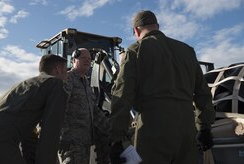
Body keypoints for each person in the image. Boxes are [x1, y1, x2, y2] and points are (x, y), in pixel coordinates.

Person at [109, 10, 216, 164]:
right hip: (186, 130)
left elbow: (122, 96)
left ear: (137, 30)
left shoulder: (136, 50)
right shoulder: (187, 51)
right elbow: (203, 93)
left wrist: (116, 139)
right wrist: (204, 127)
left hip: (153, 130)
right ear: (157, 26)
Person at [0, 54, 68, 164]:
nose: (67, 75)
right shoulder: (55, 84)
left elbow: (26, 129)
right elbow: (50, 131)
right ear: (58, 69)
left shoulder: (26, 84)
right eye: (66, 70)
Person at [59, 48, 110, 164]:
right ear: (74, 60)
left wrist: (110, 130)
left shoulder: (86, 84)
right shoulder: (68, 79)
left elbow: (95, 111)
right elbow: (58, 108)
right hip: (71, 143)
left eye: (89, 59)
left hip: (84, 142)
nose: (88, 61)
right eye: (83, 58)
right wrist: (63, 135)